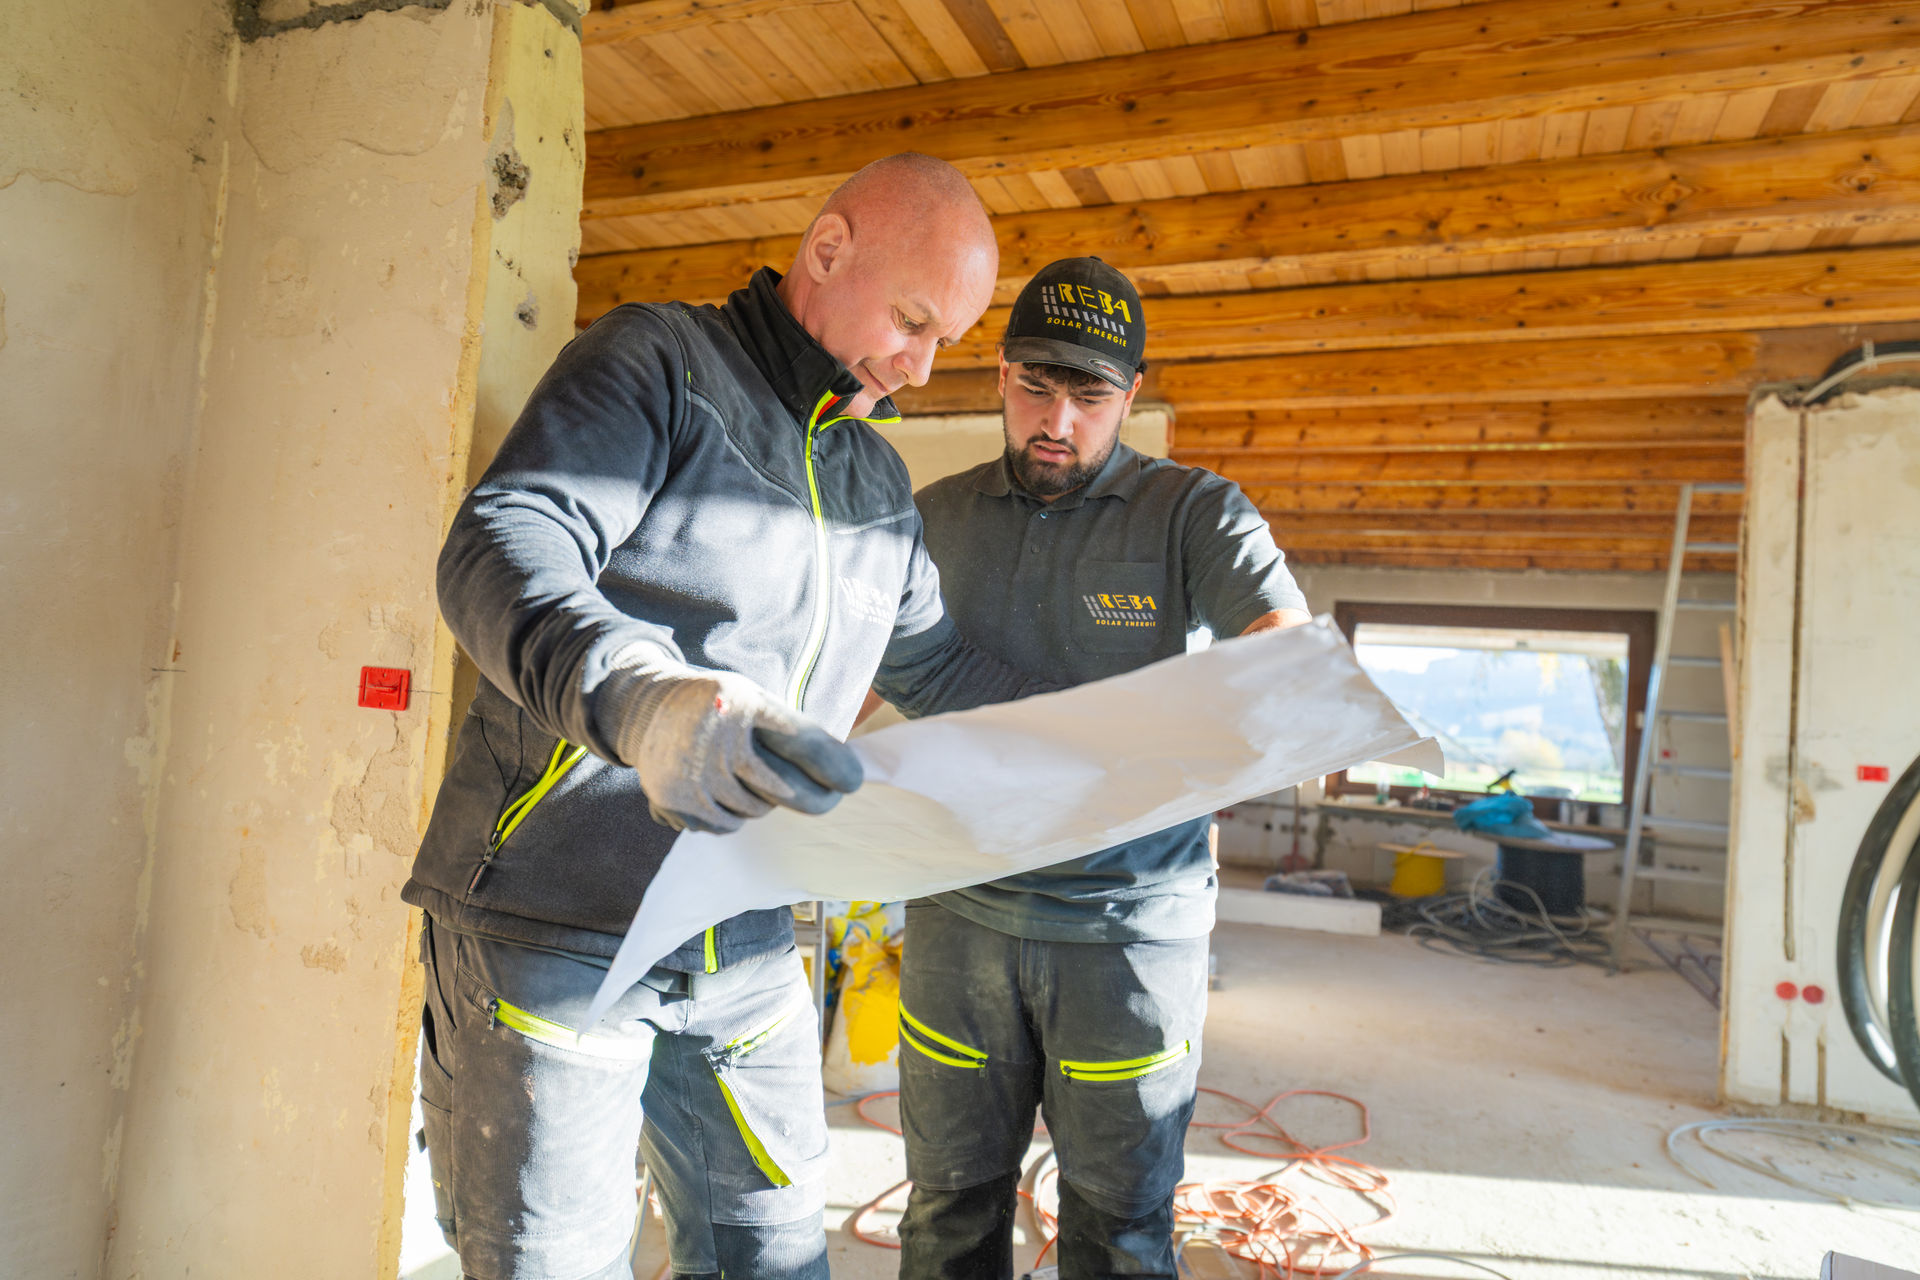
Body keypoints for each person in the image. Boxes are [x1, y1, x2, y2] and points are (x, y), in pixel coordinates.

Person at [402, 153, 1047, 1280]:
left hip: (744, 947)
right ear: (828, 249)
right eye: (912, 321)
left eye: (944, 339)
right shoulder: (658, 363)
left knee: (777, 1256)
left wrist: (1111, 737)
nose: (920, 365)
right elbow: (505, 541)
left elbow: (937, 662)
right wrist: (643, 701)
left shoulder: (877, 492)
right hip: (560, 928)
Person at [875, 258, 1313, 1280]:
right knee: (946, 1211)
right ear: (998, 372)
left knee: (1120, 1229)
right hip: (959, 916)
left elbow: (1280, 642)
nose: (1057, 423)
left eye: (1091, 398)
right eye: (1036, 387)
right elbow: (842, 678)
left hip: (1128, 933)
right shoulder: (932, 517)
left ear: (1132, 394)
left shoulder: (1192, 513)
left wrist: (1289, 695)